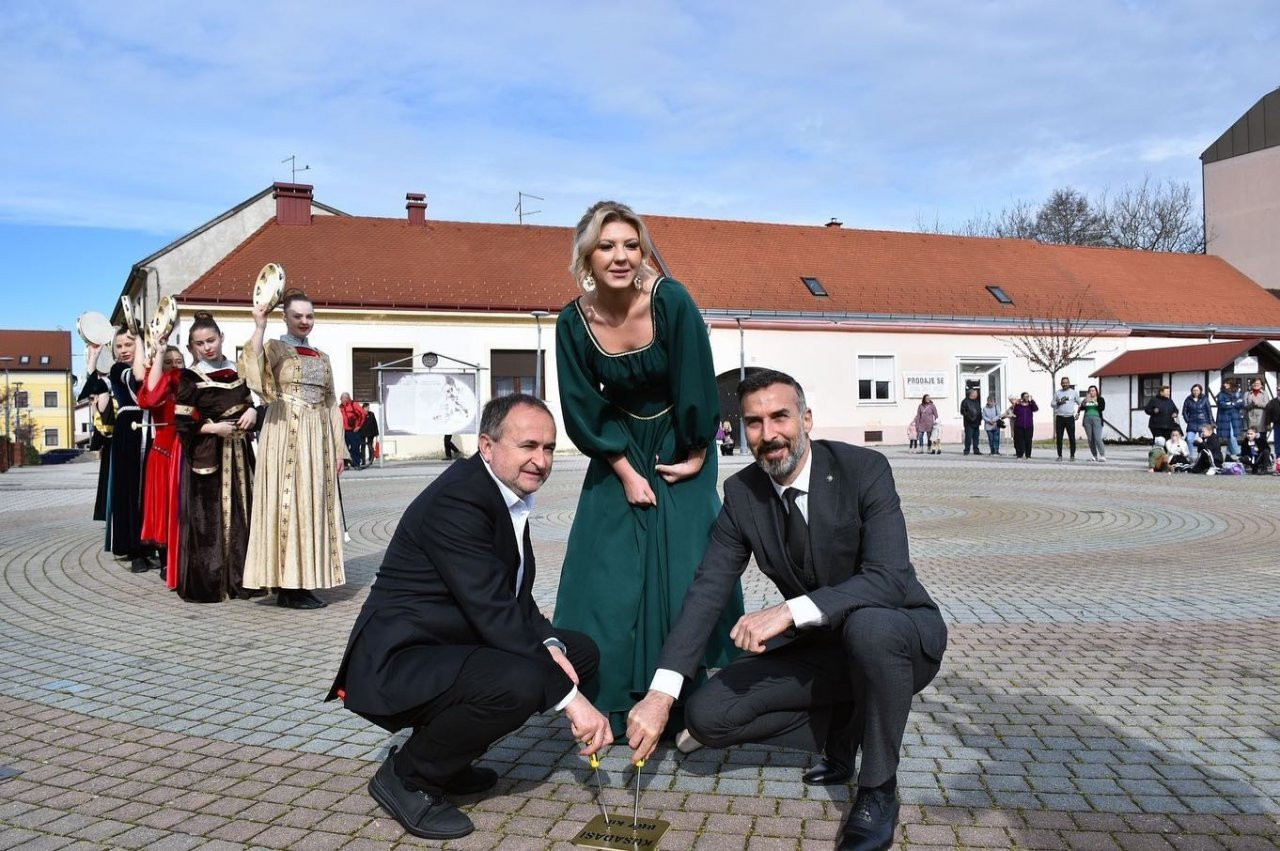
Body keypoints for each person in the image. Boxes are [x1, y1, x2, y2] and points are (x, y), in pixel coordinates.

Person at [626, 370, 947, 851]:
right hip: (825, 651)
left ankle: (879, 789)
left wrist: (788, 612)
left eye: (780, 416)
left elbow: (888, 577)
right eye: (753, 422)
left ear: (807, 419)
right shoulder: (741, 494)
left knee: (869, 627)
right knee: (709, 715)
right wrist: (660, 694)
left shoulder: (865, 470)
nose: (768, 433)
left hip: (899, 635)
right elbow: (708, 590)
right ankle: (847, 724)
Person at [327, 394, 611, 841]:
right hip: (400, 659)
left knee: (579, 653)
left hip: (451, 643)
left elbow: (513, 597)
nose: (541, 461)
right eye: (528, 446)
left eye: (549, 448)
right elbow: (494, 612)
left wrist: (553, 647)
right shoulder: (459, 501)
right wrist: (572, 700)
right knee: (521, 682)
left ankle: (448, 758)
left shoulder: (502, 491)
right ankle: (409, 777)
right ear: (487, 445)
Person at [553, 200, 743, 735]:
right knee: (604, 569)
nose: (620, 256)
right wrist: (625, 472)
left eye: (631, 245)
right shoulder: (573, 321)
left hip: (683, 441)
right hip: (615, 444)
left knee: (686, 564)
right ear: (587, 256)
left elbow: (697, 380)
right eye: (607, 246)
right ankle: (603, 698)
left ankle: (691, 700)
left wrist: (699, 454)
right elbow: (581, 405)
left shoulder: (671, 300)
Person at [241, 289, 348, 610]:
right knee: (288, 500)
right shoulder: (275, 347)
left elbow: (331, 404)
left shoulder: (323, 356)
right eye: (298, 316)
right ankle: (287, 584)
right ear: (285, 317)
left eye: (309, 316)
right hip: (286, 428)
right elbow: (253, 373)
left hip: (317, 436)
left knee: (311, 503)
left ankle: (305, 578)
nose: (304, 321)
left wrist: (339, 448)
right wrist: (259, 326)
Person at [176, 312, 259, 603]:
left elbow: (254, 402)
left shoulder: (239, 371)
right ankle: (213, 582)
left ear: (221, 338)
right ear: (192, 347)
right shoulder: (190, 377)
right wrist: (214, 428)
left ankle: (243, 579)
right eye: (199, 343)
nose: (207, 347)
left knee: (245, 515)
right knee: (209, 520)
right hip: (209, 457)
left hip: (241, 456)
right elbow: (183, 423)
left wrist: (253, 411)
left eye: (211, 340)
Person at [93, 328, 157, 573]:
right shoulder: (118, 370)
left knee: (149, 488)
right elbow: (139, 378)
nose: (123, 350)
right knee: (129, 489)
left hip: (151, 425)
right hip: (128, 428)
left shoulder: (151, 363)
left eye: (128, 344)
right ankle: (133, 548)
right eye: (119, 347)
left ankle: (150, 541)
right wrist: (140, 342)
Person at [136, 342, 187, 585]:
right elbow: (148, 400)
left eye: (179, 362)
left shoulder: (191, 383)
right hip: (164, 455)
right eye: (169, 362)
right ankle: (166, 561)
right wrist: (158, 364)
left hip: (188, 453)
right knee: (165, 509)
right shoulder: (157, 384)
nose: (175, 366)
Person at [1051, 376, 1079, 461]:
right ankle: (1059, 456)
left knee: (1072, 437)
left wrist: (1078, 413)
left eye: (1066, 382)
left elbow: (1080, 403)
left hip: (1070, 417)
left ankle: (1072, 455)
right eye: (1063, 383)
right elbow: (1052, 404)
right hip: (1060, 417)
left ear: (1069, 383)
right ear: (1061, 384)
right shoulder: (1057, 393)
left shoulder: (1073, 393)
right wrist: (1057, 403)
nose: (1065, 384)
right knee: (1059, 437)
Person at [1181, 384, 1213, 460]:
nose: (1195, 392)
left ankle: (1203, 456)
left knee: (1202, 441)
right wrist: (1187, 420)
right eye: (1194, 390)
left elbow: (1209, 411)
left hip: (1203, 422)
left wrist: (1211, 422)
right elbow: (1184, 411)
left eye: (1197, 390)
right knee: (1189, 439)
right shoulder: (1188, 399)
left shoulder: (1205, 399)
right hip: (1192, 422)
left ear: (1200, 391)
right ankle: (1190, 456)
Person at [1076, 385, 1106, 462]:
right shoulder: (1086, 399)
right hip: (1087, 419)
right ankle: (1094, 456)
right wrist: (1085, 401)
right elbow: (1081, 408)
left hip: (1097, 419)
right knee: (1090, 439)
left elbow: (1102, 408)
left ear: (1096, 391)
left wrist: (1093, 401)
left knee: (1097, 438)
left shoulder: (1100, 399)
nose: (1091, 392)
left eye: (1093, 390)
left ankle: (1102, 455)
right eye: (1090, 391)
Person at [1216, 379, 1243, 460]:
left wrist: (1230, 403)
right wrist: (1233, 404)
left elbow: (1241, 404)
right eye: (1224, 383)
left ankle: (1228, 456)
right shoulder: (1221, 394)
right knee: (1230, 436)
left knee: (1232, 436)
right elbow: (1222, 405)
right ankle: (1238, 454)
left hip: (1235, 418)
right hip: (1224, 418)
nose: (1225, 384)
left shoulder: (1238, 393)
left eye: (1227, 383)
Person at [340, 392, 366, 469]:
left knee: (355, 447)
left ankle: (356, 464)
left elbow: (362, 414)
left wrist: (358, 426)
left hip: (353, 431)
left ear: (348, 398)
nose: (342, 400)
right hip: (344, 431)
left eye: (344, 398)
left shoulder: (353, 404)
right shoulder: (339, 407)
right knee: (344, 448)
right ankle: (345, 464)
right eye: (342, 398)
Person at [1010, 392, 1038, 459]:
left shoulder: (1030, 405)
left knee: (1028, 441)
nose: (1026, 397)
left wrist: (1032, 401)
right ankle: (1019, 454)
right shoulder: (1018, 405)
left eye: (1027, 396)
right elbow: (1015, 413)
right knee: (1020, 441)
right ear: (1022, 397)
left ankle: (1028, 455)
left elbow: (1036, 409)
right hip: (1019, 426)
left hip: (1029, 426)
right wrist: (1016, 404)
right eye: (1025, 396)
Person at [959, 387, 983, 456]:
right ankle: (966, 450)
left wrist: (979, 418)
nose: (977, 394)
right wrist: (971, 419)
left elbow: (979, 411)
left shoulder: (976, 401)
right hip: (969, 423)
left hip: (977, 423)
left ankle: (976, 450)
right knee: (968, 437)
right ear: (971, 394)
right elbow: (964, 412)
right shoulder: (965, 401)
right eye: (976, 393)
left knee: (976, 437)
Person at [359, 402, 379, 466]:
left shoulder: (371, 414)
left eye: (368, 407)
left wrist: (376, 432)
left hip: (370, 432)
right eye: (366, 407)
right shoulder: (360, 414)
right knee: (363, 446)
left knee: (370, 445)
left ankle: (371, 459)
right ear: (363, 407)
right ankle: (363, 460)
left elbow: (375, 423)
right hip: (362, 432)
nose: (367, 409)